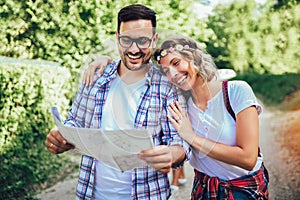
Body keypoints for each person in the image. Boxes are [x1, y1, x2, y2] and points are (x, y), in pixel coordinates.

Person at [83, 36, 270, 199]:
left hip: (243, 191)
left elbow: (248, 158)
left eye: (176, 63)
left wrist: (191, 137)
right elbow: (137, 72)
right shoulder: (179, 104)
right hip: (204, 191)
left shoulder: (236, 91)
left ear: (194, 59)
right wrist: (107, 61)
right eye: (165, 71)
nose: (172, 74)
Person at [45, 4, 189, 200]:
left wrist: (172, 154)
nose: (134, 49)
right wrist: (60, 136)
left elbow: (180, 142)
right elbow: (75, 122)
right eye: (126, 40)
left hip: (147, 195)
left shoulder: (168, 87)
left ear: (154, 40)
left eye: (143, 41)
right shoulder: (95, 76)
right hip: (91, 194)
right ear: (117, 37)